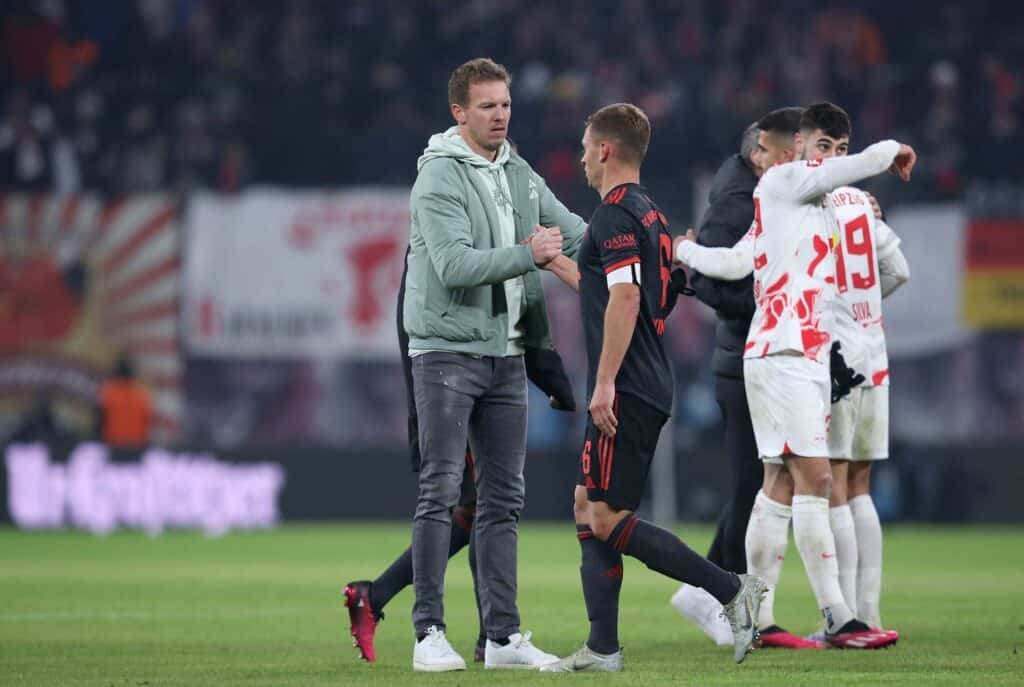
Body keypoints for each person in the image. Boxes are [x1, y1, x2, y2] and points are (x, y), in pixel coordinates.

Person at [674, 102, 913, 649]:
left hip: (797, 354)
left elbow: (736, 263)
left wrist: (685, 248)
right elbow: (852, 167)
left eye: (836, 148)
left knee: (777, 485)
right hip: (783, 352)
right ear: (799, 146)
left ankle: (757, 616)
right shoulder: (785, 181)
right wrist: (892, 150)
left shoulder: (793, 203)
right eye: (820, 146)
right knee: (818, 479)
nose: (827, 158)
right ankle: (840, 617)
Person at [542, 103, 766, 674]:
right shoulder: (650, 215)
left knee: (606, 518)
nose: (582, 159)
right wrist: (555, 264)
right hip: (646, 378)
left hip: (627, 384)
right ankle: (602, 648)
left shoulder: (614, 214)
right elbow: (630, 293)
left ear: (605, 150)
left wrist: (604, 383)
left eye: (586, 148)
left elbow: (626, 299)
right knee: (587, 504)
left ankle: (730, 589)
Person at [402, 57, 586, 672]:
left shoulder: (518, 171)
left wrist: (638, 243)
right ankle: (429, 633)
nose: (500, 114)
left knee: (504, 499)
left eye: (505, 103)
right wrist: (529, 254)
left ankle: (502, 638)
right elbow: (453, 266)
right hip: (447, 351)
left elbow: (574, 232)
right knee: (440, 490)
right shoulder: (438, 176)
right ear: (459, 112)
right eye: (487, 106)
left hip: (507, 353)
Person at [343, 249, 576, 664]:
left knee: (477, 508)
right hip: (457, 384)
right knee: (475, 506)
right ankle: (473, 632)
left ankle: (389, 600)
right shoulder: (442, 255)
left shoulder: (461, 244)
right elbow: (421, 337)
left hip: (478, 376)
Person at [670, 119, 817, 649]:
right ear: (761, 153)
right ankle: (722, 595)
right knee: (755, 486)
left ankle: (709, 591)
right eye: (790, 152)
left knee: (757, 484)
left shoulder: (765, 190)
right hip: (746, 360)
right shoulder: (737, 200)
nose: (798, 162)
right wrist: (768, 307)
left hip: (757, 356)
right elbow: (707, 281)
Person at [96, 353, 152, 447]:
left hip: (113, 444)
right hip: (137, 445)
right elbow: (146, 423)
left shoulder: (108, 393)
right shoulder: (141, 395)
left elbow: (100, 421)